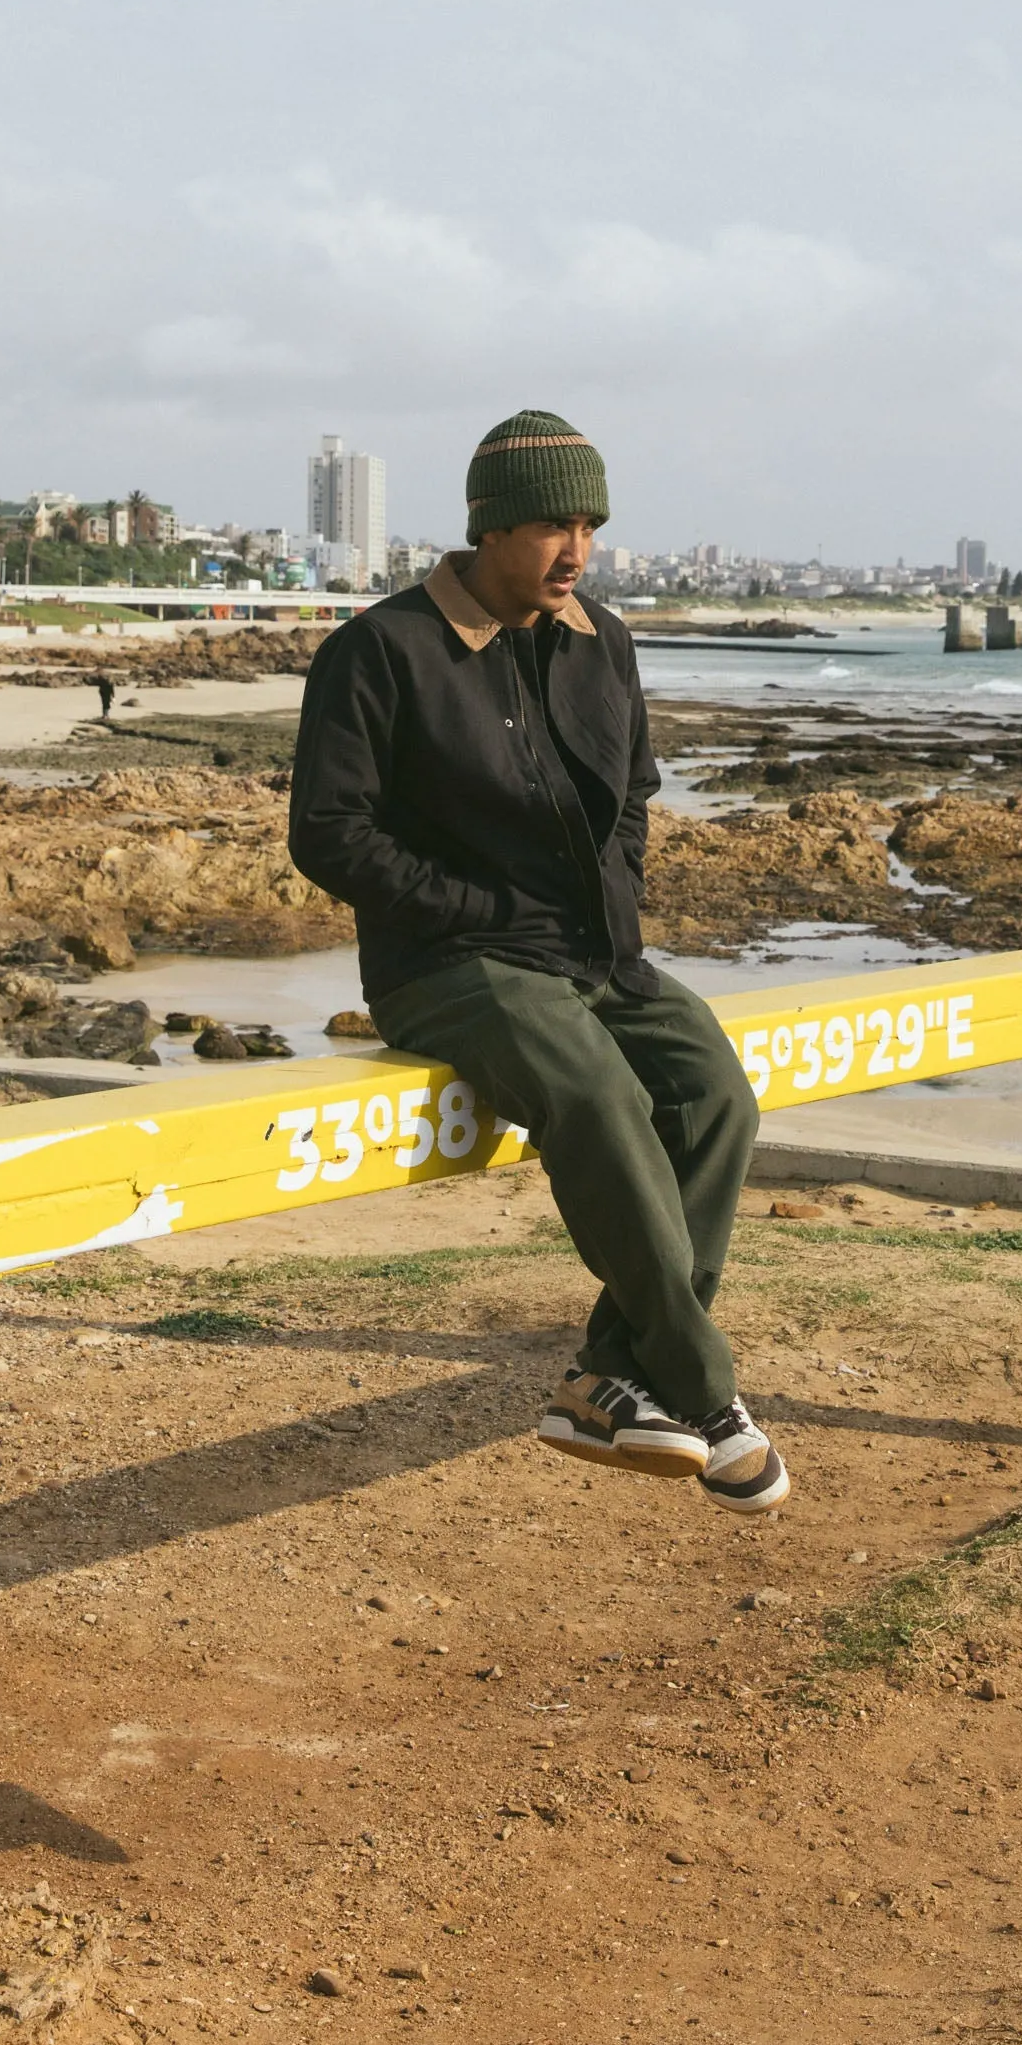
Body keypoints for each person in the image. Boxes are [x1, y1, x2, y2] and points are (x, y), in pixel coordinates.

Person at [288, 410, 787, 1512]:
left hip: (597, 955)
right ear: (490, 528)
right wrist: (473, 906)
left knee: (714, 1095)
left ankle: (610, 1376)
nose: (578, 549)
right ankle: (705, 1392)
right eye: (554, 524)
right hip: (448, 967)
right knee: (602, 1100)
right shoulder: (380, 651)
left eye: (591, 524)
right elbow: (329, 831)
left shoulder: (601, 640)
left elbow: (636, 792)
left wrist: (614, 896)